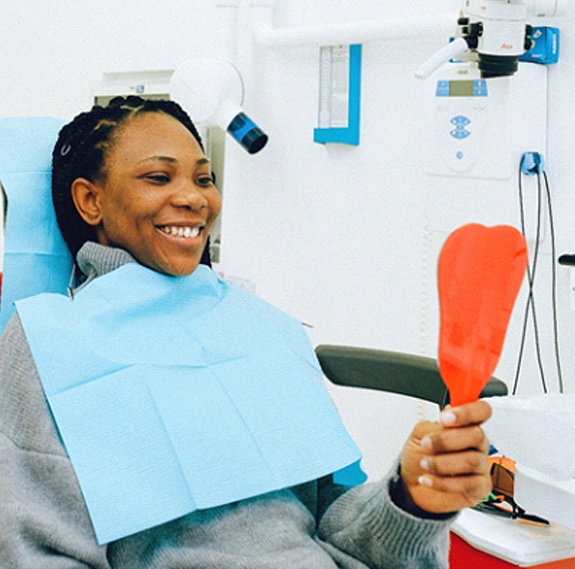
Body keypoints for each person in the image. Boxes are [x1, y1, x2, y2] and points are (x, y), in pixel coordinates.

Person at [0, 96, 492, 568]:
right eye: (158, 176)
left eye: (204, 178)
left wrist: (411, 499)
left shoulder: (265, 327)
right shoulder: (50, 340)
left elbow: (337, 526)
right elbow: (35, 551)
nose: (194, 197)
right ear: (90, 200)